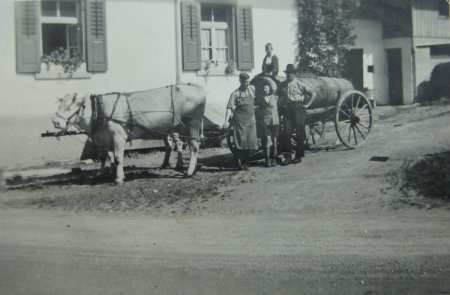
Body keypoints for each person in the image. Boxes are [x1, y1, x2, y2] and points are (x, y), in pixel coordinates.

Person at [278, 64, 315, 165]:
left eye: (291, 73)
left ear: (294, 74)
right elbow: (278, 96)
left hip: (298, 109)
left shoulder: (299, 84)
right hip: (287, 110)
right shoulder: (282, 85)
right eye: (288, 73)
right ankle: (288, 157)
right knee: (286, 133)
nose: (289, 75)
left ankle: (298, 156)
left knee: (300, 134)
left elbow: (312, 93)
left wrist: (307, 104)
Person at [223, 72, 258, 170]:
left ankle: (246, 161)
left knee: (250, 140)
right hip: (240, 121)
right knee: (240, 141)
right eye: (245, 82)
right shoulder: (235, 93)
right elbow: (229, 108)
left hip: (250, 119)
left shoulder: (252, 89)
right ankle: (240, 161)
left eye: (248, 81)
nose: (247, 83)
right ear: (240, 81)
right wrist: (226, 121)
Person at [255, 80, 279, 167]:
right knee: (268, 141)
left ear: (270, 89)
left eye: (267, 88)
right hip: (266, 121)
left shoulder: (276, 97)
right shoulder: (260, 98)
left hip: (275, 121)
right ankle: (267, 159)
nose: (266, 90)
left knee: (275, 141)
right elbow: (257, 109)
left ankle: (274, 159)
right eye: (264, 88)